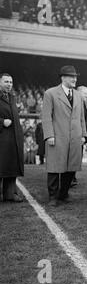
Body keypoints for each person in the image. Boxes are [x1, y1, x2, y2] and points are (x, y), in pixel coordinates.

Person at [42, 65, 87, 207]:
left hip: (75, 136)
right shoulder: (50, 93)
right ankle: (53, 197)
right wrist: (49, 135)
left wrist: (83, 134)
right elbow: (46, 117)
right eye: (71, 76)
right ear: (63, 77)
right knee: (55, 167)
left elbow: (82, 117)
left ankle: (63, 194)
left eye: (75, 76)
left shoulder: (78, 95)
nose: (75, 79)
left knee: (71, 167)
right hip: (57, 135)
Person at [0, 73, 24, 202]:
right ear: (0, 82)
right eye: (6, 82)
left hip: (12, 137)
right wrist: (2, 122)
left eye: (10, 82)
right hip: (1, 136)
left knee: (11, 165)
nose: (9, 84)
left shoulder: (12, 97)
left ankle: (10, 194)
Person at [70, 85, 87, 187]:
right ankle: (70, 178)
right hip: (77, 136)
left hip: (80, 135)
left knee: (77, 158)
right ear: (79, 92)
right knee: (74, 158)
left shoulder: (81, 102)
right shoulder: (76, 102)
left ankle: (72, 178)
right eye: (85, 93)